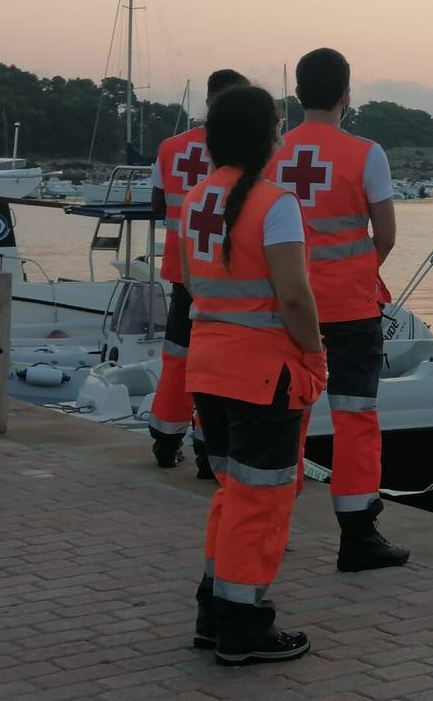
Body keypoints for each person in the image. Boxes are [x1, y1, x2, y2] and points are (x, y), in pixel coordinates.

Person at [182, 85, 326, 664]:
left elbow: (195, 283)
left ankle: (215, 615)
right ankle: (243, 629)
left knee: (232, 494)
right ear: (268, 135)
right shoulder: (276, 204)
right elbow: (293, 295)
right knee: (259, 502)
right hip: (265, 373)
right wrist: (315, 351)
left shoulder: (196, 198)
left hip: (208, 366)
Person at [266, 47, 409, 572]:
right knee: (355, 417)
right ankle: (357, 536)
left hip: (285, 305)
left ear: (298, 93)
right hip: (351, 307)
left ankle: (269, 528)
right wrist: (353, 272)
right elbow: (385, 235)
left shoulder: (272, 153)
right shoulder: (366, 154)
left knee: (285, 416)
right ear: (347, 94)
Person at [148, 68, 249, 474]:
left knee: (177, 354)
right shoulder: (238, 155)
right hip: (223, 274)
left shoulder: (171, 147)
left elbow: (158, 205)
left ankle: (165, 438)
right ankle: (210, 449)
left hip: (180, 269)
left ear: (208, 100)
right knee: (217, 362)